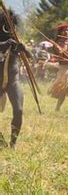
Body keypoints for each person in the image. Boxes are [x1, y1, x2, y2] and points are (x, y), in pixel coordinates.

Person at [0, 8, 28, 148]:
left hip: (13, 81)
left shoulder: (16, 40)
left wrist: (22, 48)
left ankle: (13, 142)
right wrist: (3, 45)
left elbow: (30, 57)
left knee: (19, 110)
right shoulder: (4, 40)